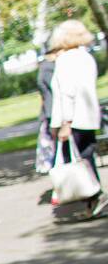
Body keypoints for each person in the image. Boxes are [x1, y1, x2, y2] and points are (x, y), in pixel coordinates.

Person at [48, 19, 104, 217]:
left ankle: (94, 197)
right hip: (87, 116)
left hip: (73, 119)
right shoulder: (85, 56)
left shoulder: (66, 59)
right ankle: (93, 202)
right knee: (86, 156)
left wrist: (65, 123)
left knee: (80, 161)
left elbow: (67, 93)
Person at [34, 45, 60, 175]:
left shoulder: (45, 67)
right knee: (58, 148)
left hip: (50, 112)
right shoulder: (49, 67)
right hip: (53, 112)